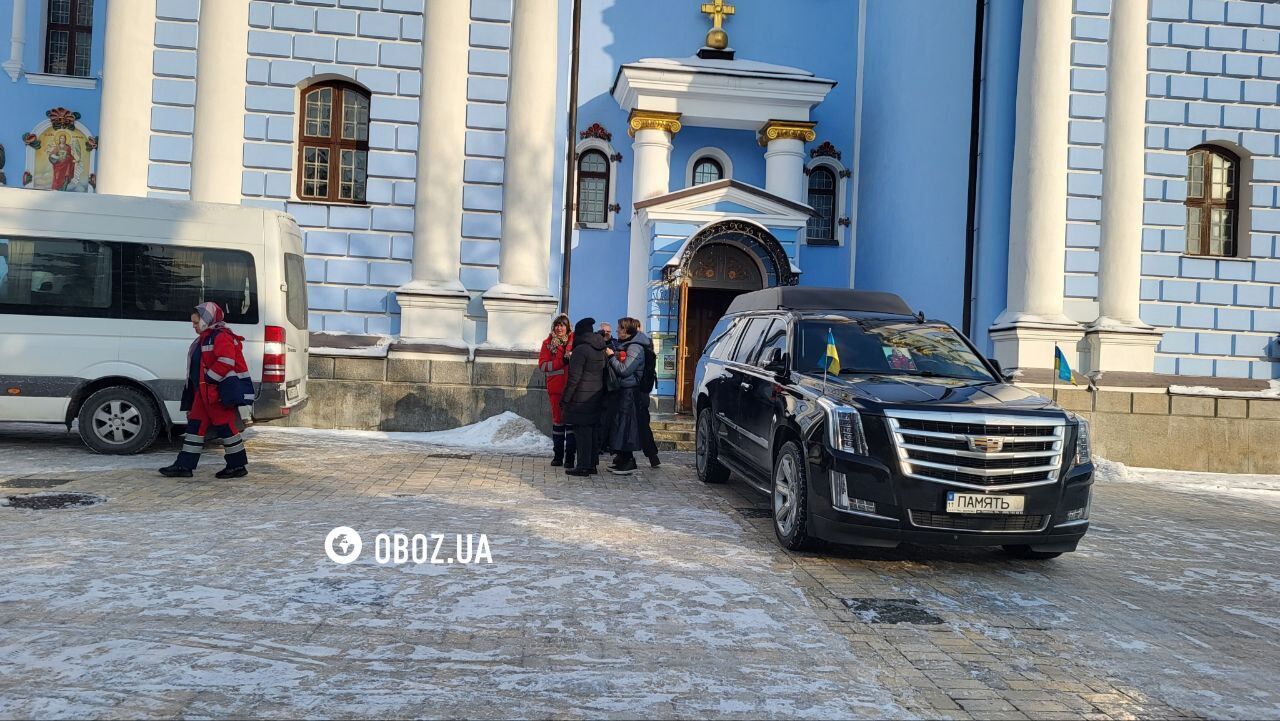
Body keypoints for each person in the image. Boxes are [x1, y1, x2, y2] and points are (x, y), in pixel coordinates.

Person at [159, 302, 250, 479]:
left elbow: (226, 361)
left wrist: (209, 379)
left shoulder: (220, 336)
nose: (193, 326)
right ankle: (184, 466)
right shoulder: (206, 337)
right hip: (205, 393)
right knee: (195, 427)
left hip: (216, 393)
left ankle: (237, 466)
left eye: (195, 322)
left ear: (206, 320)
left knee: (225, 427)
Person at [605, 317, 653, 475]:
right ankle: (622, 459)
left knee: (626, 426)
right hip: (624, 391)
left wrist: (611, 357)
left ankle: (628, 462)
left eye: (619, 328)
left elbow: (625, 370)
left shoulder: (635, 347)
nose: (617, 330)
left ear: (626, 330)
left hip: (630, 392)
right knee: (621, 425)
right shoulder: (628, 344)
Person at [559, 317, 607, 477]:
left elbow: (574, 379)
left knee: (582, 433)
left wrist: (565, 399)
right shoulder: (599, 348)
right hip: (596, 395)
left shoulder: (580, 350)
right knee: (591, 432)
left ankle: (583, 466)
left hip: (580, 398)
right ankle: (592, 464)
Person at [538, 313, 575, 467]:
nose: (559, 328)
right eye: (557, 325)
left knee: (571, 424)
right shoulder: (547, 344)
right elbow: (542, 365)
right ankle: (558, 456)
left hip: (572, 389)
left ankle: (570, 458)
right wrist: (562, 361)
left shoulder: (574, 342)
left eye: (562, 325)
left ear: (568, 328)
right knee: (558, 423)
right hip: (556, 389)